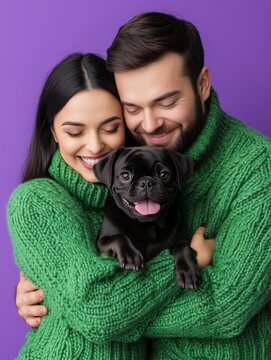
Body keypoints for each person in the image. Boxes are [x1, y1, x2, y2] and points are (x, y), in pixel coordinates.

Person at [17, 11, 271, 359]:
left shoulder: (259, 168)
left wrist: (79, 307)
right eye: (132, 108)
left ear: (202, 84)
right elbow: (91, 298)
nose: (150, 124)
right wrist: (67, 296)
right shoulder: (111, 173)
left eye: (166, 102)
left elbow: (225, 305)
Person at [9, 51, 213, 359]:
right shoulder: (36, 201)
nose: (94, 146)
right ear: (52, 131)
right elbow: (98, 312)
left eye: (110, 127)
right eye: (74, 131)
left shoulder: (148, 201)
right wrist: (188, 262)